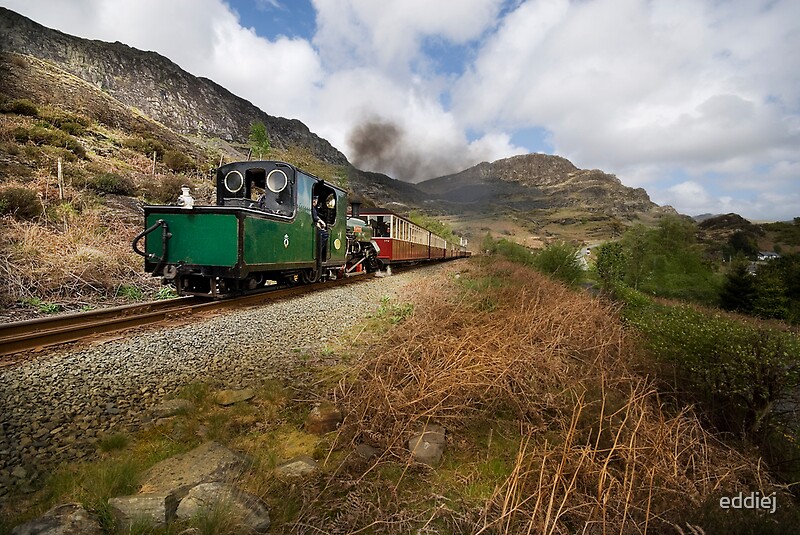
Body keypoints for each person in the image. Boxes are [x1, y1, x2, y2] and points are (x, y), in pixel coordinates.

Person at [311, 196, 329, 263]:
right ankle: (318, 252)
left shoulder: (314, 209)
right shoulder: (312, 208)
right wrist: (321, 221)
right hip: (313, 229)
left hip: (315, 227)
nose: (315, 201)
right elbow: (315, 218)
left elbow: (316, 216)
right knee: (325, 234)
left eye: (316, 200)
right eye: (314, 199)